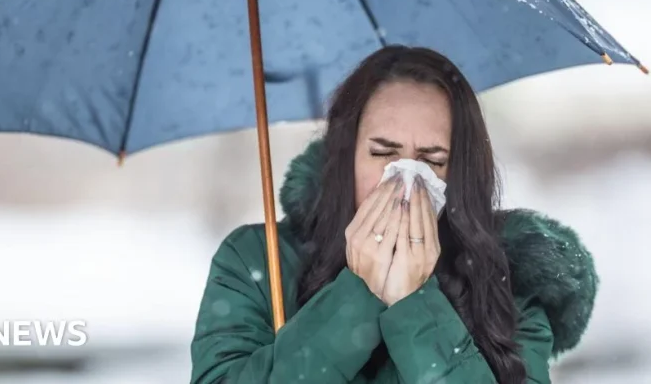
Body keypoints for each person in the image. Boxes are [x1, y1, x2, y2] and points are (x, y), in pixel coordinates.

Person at [189, 46, 597, 383]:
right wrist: (359, 293)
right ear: (344, 157)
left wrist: (414, 299)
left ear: (460, 175)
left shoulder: (509, 281)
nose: (404, 181)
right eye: (383, 153)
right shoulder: (258, 263)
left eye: (432, 161)